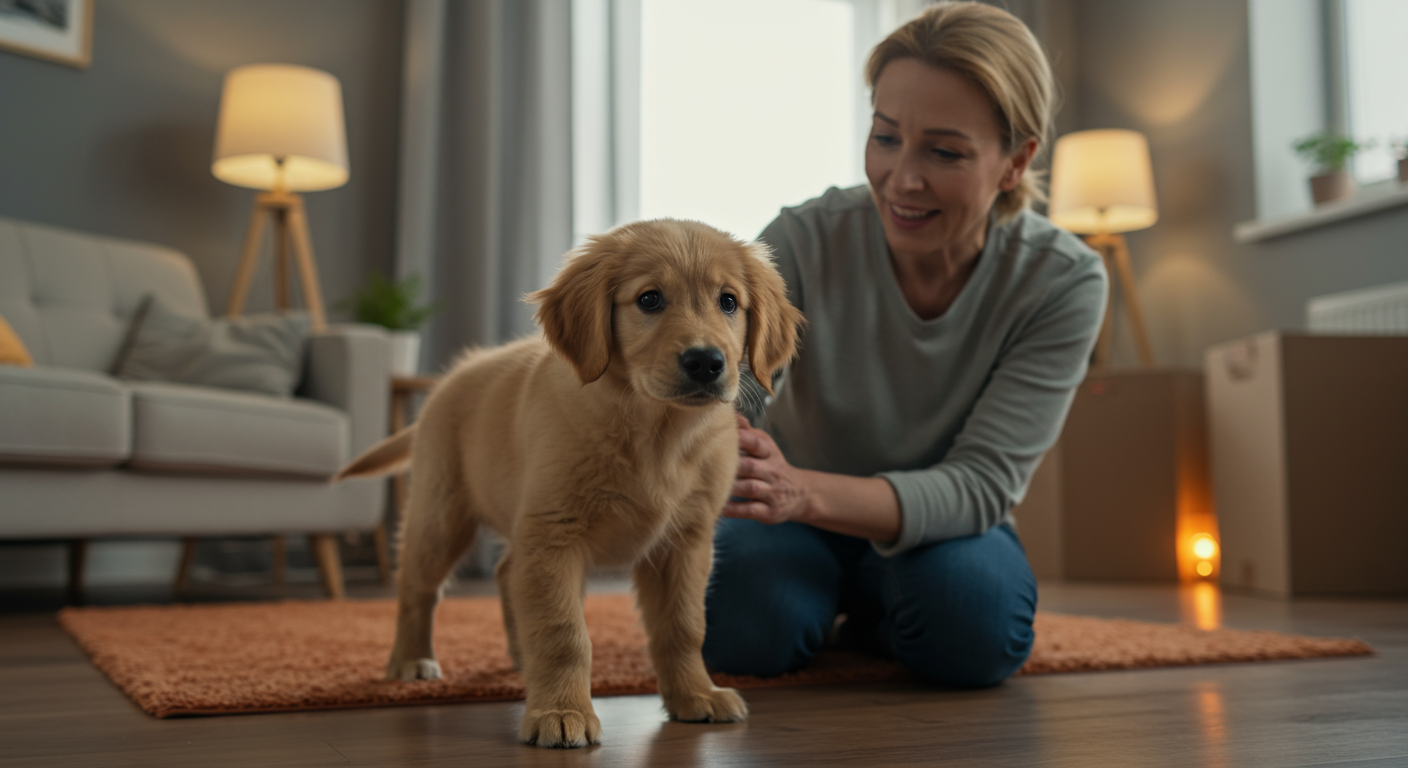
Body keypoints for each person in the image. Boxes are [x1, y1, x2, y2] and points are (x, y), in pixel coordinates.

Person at [702, 1, 1108, 687]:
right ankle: (854, 605)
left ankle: (869, 607)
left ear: (1016, 161)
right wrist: (728, 434)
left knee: (973, 637)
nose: (902, 178)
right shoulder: (801, 239)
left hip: (941, 526)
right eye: (886, 137)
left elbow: (981, 484)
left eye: (944, 152)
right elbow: (735, 389)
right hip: (785, 516)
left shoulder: (1062, 281)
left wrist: (804, 490)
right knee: (741, 631)